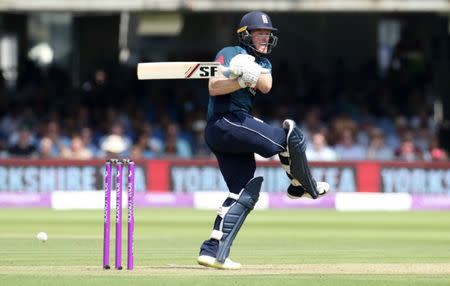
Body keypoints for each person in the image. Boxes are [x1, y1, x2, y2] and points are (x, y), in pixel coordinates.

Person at [197, 11, 329, 270]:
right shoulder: (229, 52)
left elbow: (266, 84)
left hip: (232, 128)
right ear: (245, 35)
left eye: (268, 35)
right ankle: (301, 186)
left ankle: (213, 251)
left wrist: (248, 72)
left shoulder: (263, 63)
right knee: (288, 136)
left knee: (243, 192)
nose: (265, 39)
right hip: (225, 122)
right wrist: (237, 76)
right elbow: (213, 86)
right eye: (260, 34)